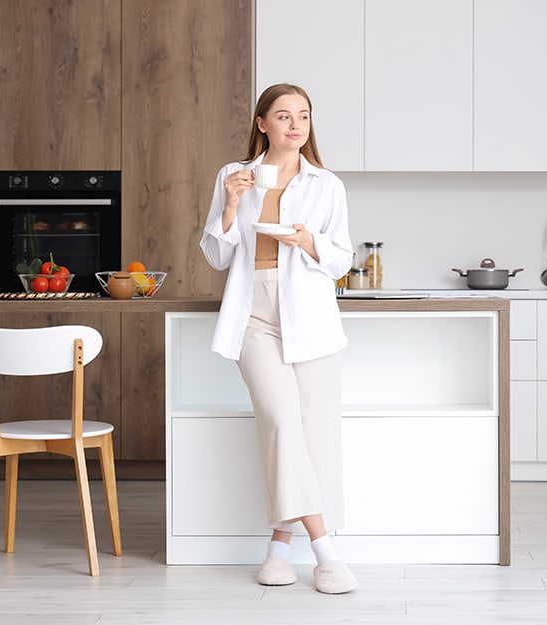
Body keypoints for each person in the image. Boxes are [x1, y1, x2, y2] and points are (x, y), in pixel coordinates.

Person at [199, 83, 357, 594]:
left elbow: (342, 259)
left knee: (307, 438)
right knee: (282, 419)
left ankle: (277, 548)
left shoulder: (326, 184)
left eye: (304, 116)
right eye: (284, 116)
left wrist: (309, 240)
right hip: (253, 315)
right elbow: (218, 257)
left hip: (309, 317)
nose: (296, 124)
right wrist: (230, 205)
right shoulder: (234, 176)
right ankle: (327, 553)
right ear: (262, 123)